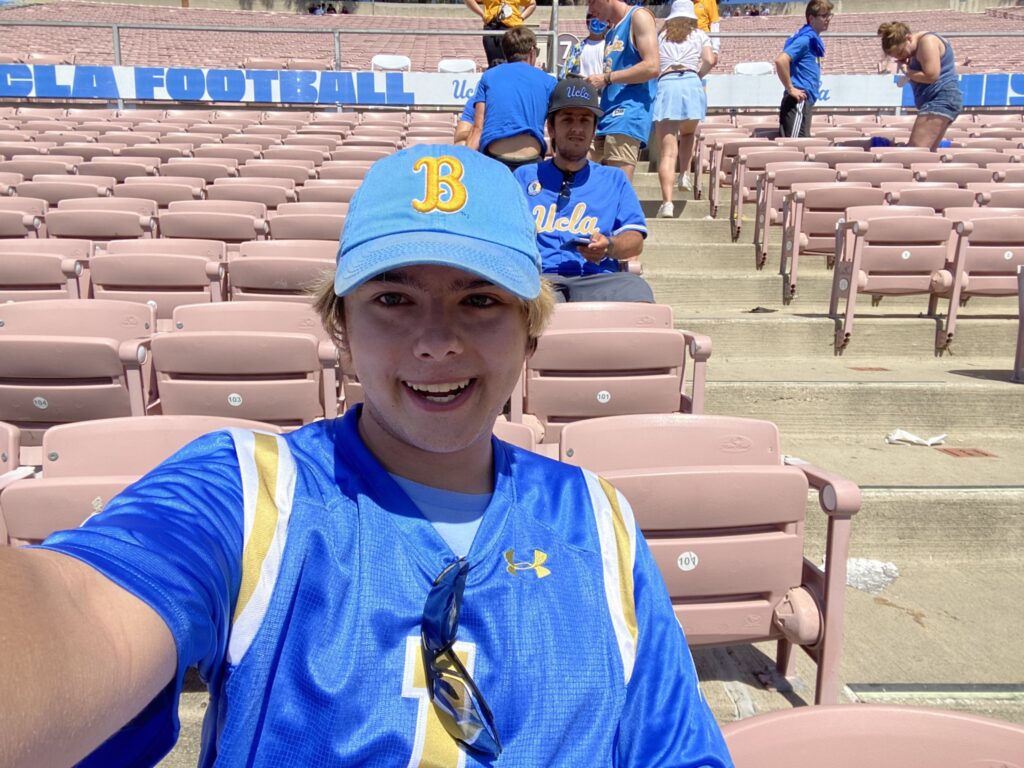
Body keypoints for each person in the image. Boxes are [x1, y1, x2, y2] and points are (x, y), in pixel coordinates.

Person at [0, 145, 734, 767]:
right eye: (392, 299)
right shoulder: (249, 491)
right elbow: (81, 609)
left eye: (480, 301)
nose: (436, 341)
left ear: (530, 333)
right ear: (341, 328)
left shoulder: (597, 521)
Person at [515, 79, 656, 303]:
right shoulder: (524, 177)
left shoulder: (614, 179)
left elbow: (635, 240)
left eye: (585, 120)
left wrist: (609, 246)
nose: (577, 129)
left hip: (596, 277)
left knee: (637, 289)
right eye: (567, 119)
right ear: (551, 127)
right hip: (540, 281)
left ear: (594, 128)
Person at [652, 0, 716, 218]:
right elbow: (709, 59)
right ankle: (684, 174)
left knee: (667, 152)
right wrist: (698, 75)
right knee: (688, 133)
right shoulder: (699, 35)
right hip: (691, 82)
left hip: (667, 84)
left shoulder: (661, 36)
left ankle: (667, 202)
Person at [586, 0, 660, 182]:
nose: (590, 9)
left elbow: (652, 66)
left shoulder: (639, 16)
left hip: (628, 112)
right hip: (606, 114)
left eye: (592, 2)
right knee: (578, 165)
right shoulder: (611, 31)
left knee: (618, 184)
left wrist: (606, 78)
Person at [467, 26, 556, 170]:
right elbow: (555, 130)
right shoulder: (549, 82)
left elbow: (478, 128)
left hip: (495, 160)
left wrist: (465, 164)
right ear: (532, 52)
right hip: (531, 159)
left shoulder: (488, 77)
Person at [877, 21, 963, 150]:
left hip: (940, 99)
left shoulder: (928, 41)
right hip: (938, 100)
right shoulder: (918, 47)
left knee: (915, 152)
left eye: (901, 53)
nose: (902, 57)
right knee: (927, 154)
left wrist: (907, 71)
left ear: (908, 38)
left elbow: (931, 76)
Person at [774, 0, 833, 138]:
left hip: (804, 102)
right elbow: (781, 61)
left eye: (830, 15)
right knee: (795, 147)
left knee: (801, 146)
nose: (828, 19)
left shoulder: (812, 39)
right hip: (798, 101)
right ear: (812, 18)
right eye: (824, 16)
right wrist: (790, 88)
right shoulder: (805, 39)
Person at [463, 0, 536, 69]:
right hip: (492, 27)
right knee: (495, 63)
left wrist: (521, 18)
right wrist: (483, 15)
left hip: (513, 30)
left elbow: (532, 4)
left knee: (515, 62)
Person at [561, 13, 610, 79]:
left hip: (602, 88)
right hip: (581, 87)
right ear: (588, 23)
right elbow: (564, 73)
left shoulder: (610, 47)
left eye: (601, 18)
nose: (598, 22)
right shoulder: (577, 49)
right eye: (594, 18)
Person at [693, 0, 722, 67]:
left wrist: (715, 50)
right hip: (689, 40)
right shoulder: (685, 3)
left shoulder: (709, 1)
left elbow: (714, 23)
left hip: (703, 38)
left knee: (709, 62)